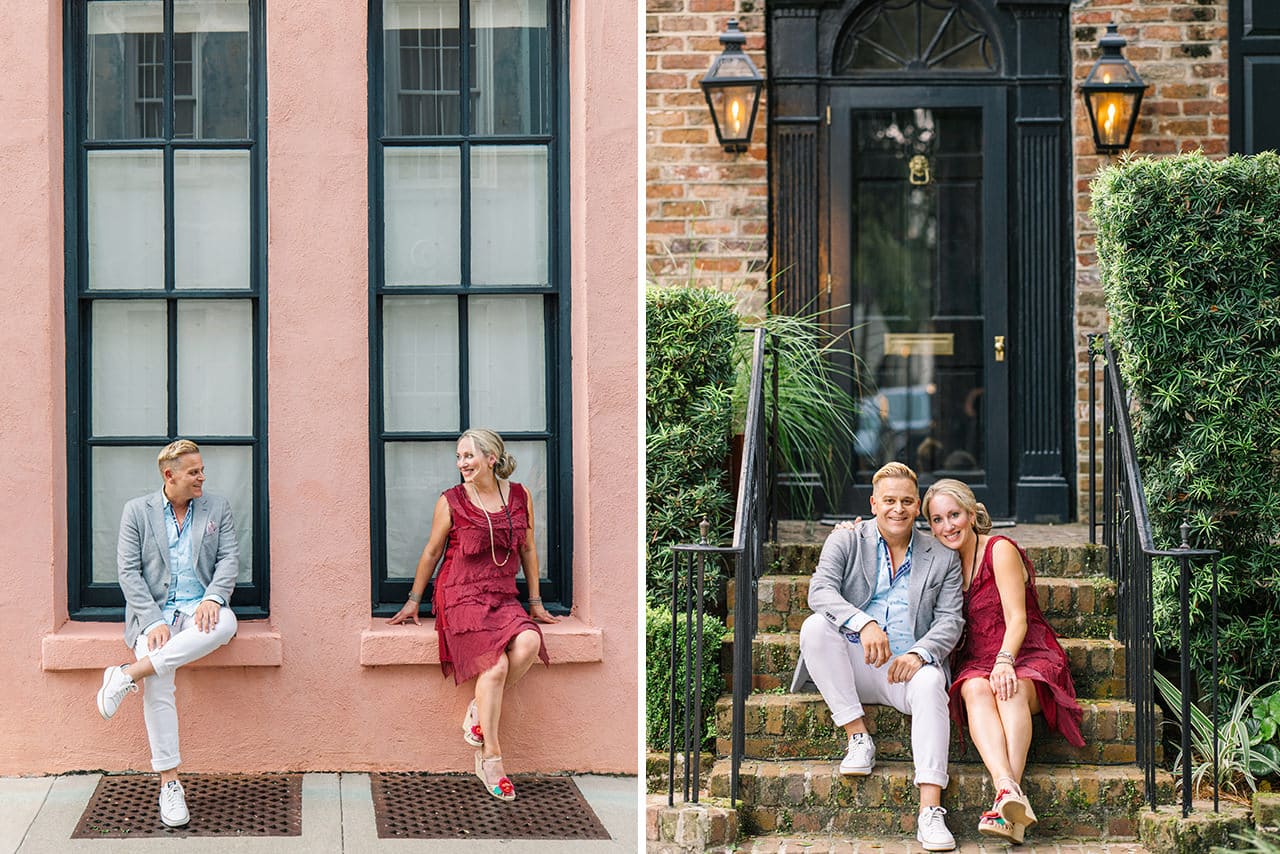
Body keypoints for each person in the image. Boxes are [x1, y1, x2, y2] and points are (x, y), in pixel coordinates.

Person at [792, 462, 964, 852]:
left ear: (917, 506)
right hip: (852, 664)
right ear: (873, 503)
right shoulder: (847, 539)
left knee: (933, 681)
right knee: (815, 627)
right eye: (889, 500)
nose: (897, 509)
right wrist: (863, 622)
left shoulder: (941, 556)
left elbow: (951, 621)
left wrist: (921, 653)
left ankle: (930, 811)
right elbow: (819, 591)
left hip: (905, 669)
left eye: (906, 501)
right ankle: (858, 736)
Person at [388, 428, 558, 801]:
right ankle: (491, 758)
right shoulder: (451, 501)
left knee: (529, 641)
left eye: (468, 456)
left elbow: (528, 549)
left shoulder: (519, 495)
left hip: (502, 594)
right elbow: (432, 552)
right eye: (459, 457)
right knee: (494, 667)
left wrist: (536, 601)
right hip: (460, 594)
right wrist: (415, 599)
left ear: (491, 459)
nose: (462, 463)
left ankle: (478, 709)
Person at [922, 478, 1084, 844]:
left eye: (954, 515)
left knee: (1006, 690)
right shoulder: (942, 562)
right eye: (936, 519)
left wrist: (1006, 661)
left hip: (1025, 653)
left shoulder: (999, 550)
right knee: (975, 688)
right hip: (977, 662)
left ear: (971, 513)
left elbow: (1019, 619)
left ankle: (1004, 796)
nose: (947, 526)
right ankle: (1009, 797)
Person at [95, 439, 240, 828]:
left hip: (199, 611)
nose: (202, 478)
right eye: (194, 472)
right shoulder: (136, 511)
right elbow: (128, 573)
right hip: (155, 613)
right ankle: (169, 783)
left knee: (227, 624)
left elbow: (229, 558)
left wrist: (214, 597)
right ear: (169, 475)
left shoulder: (217, 508)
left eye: (202, 470)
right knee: (161, 684)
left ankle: (127, 674)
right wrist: (153, 619)